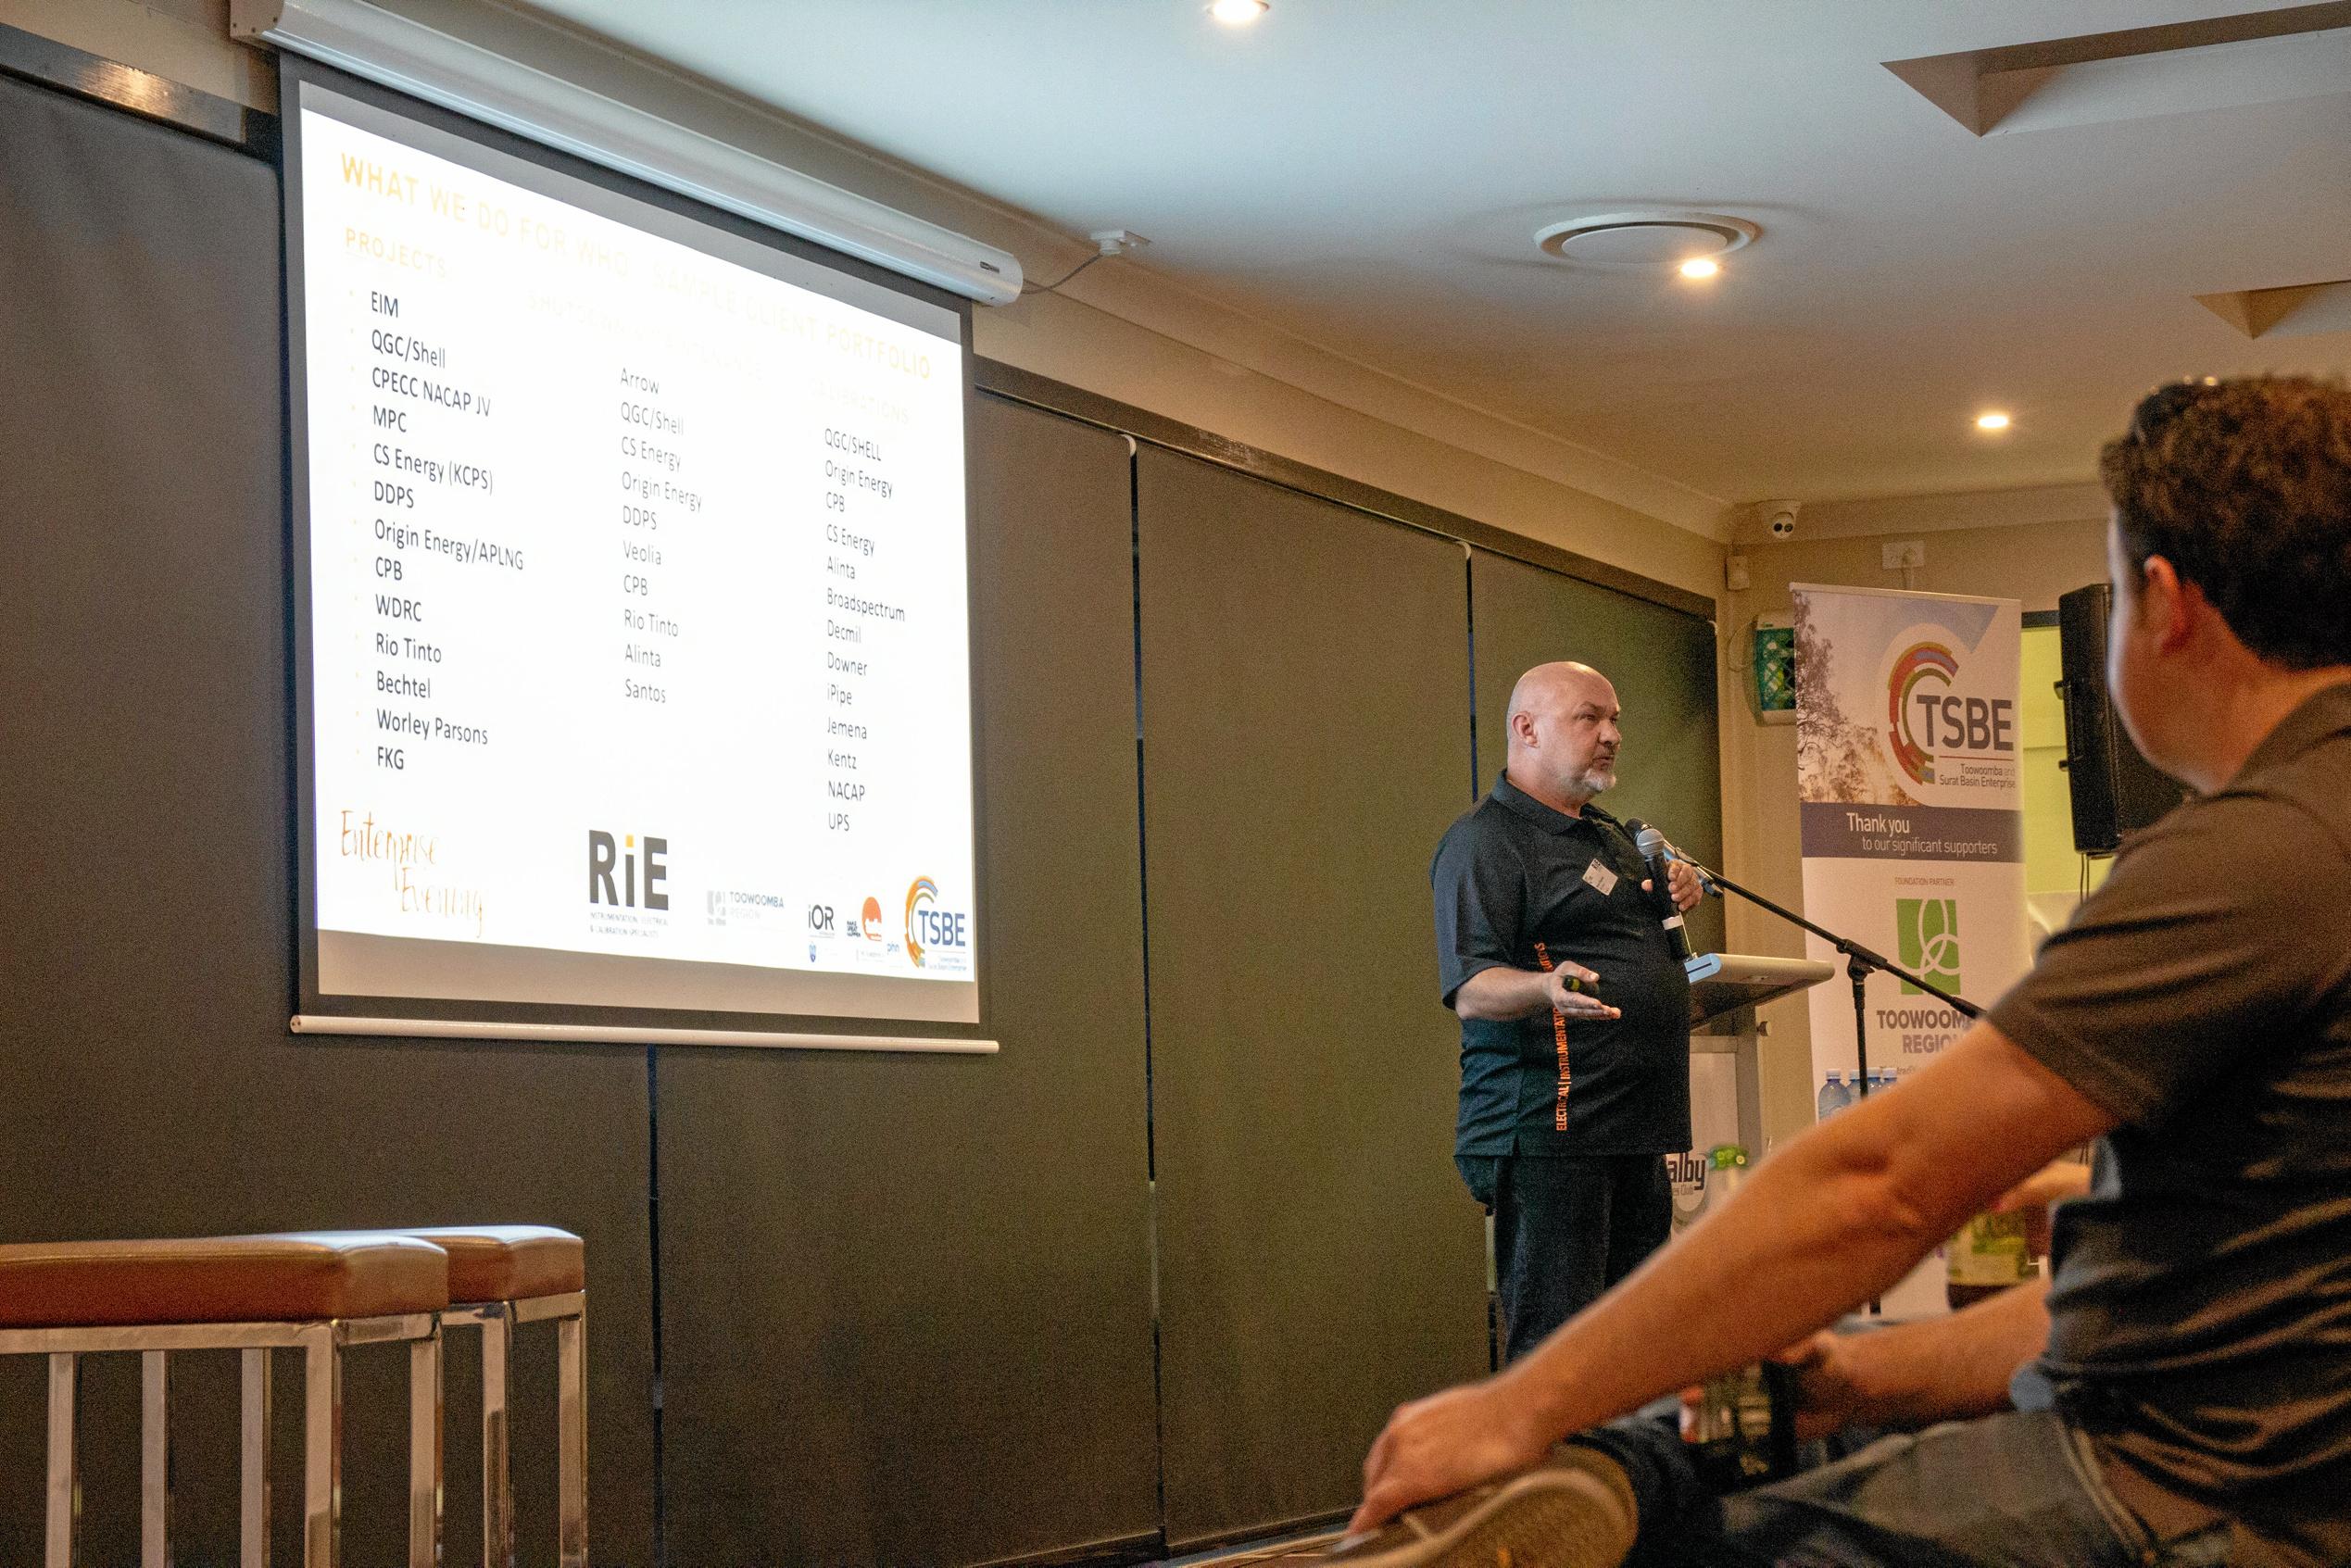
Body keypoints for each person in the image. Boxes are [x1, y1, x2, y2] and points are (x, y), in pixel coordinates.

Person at [1344, 375, 2351, 1568]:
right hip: (2218, 1456)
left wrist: (1510, 1405)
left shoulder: (2253, 858)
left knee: (1701, 1537)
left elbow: (1880, 1183)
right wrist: (1857, 1377)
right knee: (1691, 1450)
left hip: (2183, 1495)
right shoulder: (2305, 827)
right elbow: (2167, 1309)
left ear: (2167, 604)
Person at [1430, 661, 1704, 1363]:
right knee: (1560, 1355)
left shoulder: (1609, 835)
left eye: (1615, 719)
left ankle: (1620, 1474)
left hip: (1634, 1127)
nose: (1611, 734)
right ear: (1526, 729)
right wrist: (1545, 987)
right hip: (1552, 1133)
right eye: (1590, 717)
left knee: (1639, 1347)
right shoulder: (1485, 842)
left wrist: (1677, 888)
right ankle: (1552, 1477)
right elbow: (1472, 988)